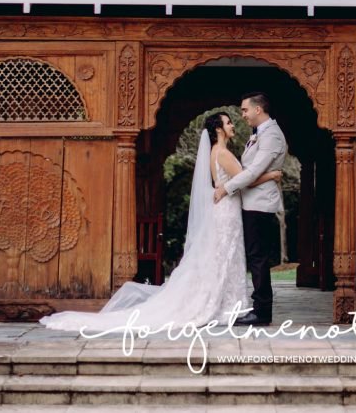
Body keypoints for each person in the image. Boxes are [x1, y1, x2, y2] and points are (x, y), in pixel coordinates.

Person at [40, 112, 281, 333]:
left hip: (224, 209)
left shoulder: (214, 153)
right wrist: (271, 175)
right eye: (228, 122)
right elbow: (244, 180)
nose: (232, 125)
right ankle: (225, 302)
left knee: (222, 257)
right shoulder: (224, 153)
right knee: (225, 256)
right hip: (227, 212)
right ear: (218, 129)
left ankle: (225, 301)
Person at [213, 92, 287, 326]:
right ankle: (258, 307)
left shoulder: (272, 135)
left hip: (260, 203)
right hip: (251, 201)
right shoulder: (259, 134)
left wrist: (226, 188)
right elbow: (252, 169)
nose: (242, 115)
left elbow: (253, 171)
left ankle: (262, 311)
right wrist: (270, 175)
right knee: (256, 256)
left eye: (245, 110)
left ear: (258, 109)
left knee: (258, 258)